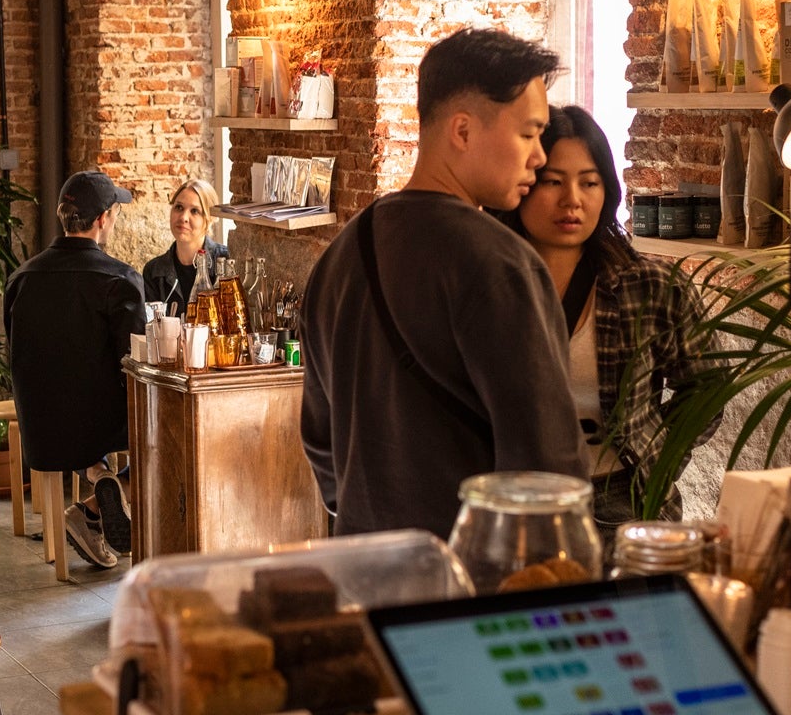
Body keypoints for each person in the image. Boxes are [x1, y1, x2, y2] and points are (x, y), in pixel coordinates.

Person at [302, 27, 584, 537]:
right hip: (469, 590)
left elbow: (320, 440)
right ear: (462, 131)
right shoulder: (502, 264)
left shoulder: (341, 254)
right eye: (529, 133)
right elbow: (548, 474)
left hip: (366, 569)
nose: (540, 157)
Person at [503, 105, 715, 532]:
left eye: (589, 182)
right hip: (516, 502)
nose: (572, 200)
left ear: (608, 192)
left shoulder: (651, 286)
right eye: (553, 182)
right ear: (521, 185)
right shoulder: (487, 287)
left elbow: (707, 391)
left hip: (626, 499)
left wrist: (660, 456)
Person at [4, 171, 146, 567]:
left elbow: (18, 353)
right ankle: (102, 494)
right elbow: (134, 363)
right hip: (102, 425)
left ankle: (96, 490)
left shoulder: (20, 278)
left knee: (79, 400)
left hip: (41, 429)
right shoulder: (120, 278)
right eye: (115, 212)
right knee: (162, 439)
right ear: (103, 219)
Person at [142, 178, 231, 313]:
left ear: (210, 218)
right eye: (179, 207)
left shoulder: (225, 261)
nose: (183, 217)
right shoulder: (154, 271)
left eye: (194, 211)